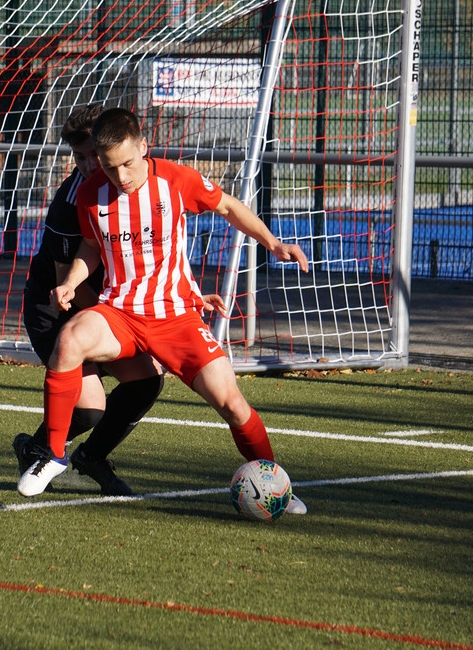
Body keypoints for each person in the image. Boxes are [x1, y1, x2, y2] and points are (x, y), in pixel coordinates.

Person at [17, 107, 310, 516]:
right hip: (119, 312)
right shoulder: (88, 194)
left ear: (143, 147)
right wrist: (70, 282)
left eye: (126, 164)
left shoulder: (176, 180)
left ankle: (277, 486)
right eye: (109, 167)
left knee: (231, 402)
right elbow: (90, 248)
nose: (119, 176)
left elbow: (227, 207)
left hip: (175, 317)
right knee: (70, 340)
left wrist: (273, 244)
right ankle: (52, 454)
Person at [16, 103, 164, 496]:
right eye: (78, 157)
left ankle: (92, 457)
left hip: (104, 307)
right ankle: (37, 449)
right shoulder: (72, 202)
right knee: (90, 408)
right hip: (59, 311)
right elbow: (71, 286)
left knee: (147, 381)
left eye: (92, 156)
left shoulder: (134, 185)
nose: (86, 165)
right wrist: (127, 320)